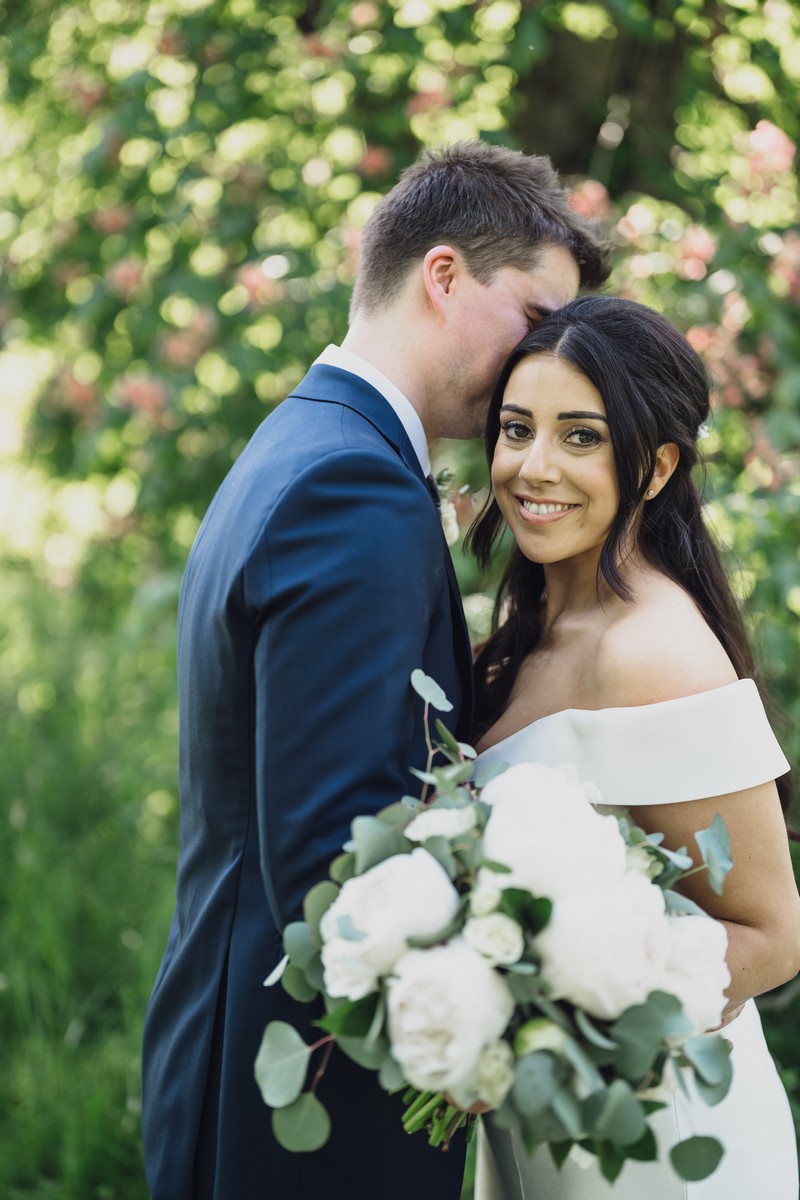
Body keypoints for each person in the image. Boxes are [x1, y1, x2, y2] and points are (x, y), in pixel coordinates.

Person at [140, 142, 609, 1200]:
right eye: (535, 323)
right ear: (442, 276)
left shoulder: (306, 440)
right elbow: (334, 851)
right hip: (303, 1111)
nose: (549, 361)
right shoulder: (352, 484)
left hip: (231, 1057)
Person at [467, 295, 800, 1200]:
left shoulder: (651, 654)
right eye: (515, 428)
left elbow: (772, 937)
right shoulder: (526, 625)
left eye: (581, 437)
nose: (535, 467)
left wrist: (562, 999)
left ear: (654, 468)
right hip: (541, 1133)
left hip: (658, 1143)